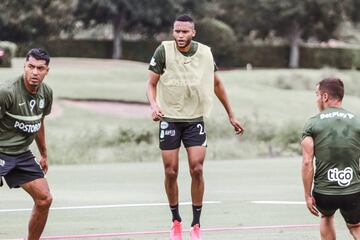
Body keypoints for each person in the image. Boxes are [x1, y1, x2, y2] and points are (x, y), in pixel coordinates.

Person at [146, 15, 244, 240]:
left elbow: (217, 84)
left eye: (184, 32)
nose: (180, 36)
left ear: (193, 33)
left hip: (194, 120)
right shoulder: (163, 51)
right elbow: (151, 84)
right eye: (177, 31)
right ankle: (176, 221)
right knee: (171, 171)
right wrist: (154, 106)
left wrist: (231, 114)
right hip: (169, 118)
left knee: (197, 169)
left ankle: (196, 224)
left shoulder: (205, 53)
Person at [0, 48, 53, 239]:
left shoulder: (46, 93)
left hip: (21, 154)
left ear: (47, 71)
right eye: (31, 66)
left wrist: (44, 154)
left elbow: (38, 122)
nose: (35, 72)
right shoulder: (6, 91)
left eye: (40, 68)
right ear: (24, 66)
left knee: (44, 199)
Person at [301, 78, 360, 240]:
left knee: (326, 217)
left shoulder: (312, 124)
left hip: (324, 193)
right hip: (353, 190)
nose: (316, 99)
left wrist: (307, 195)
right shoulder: (357, 122)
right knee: (355, 226)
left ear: (325, 96)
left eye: (317, 94)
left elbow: (307, 162)